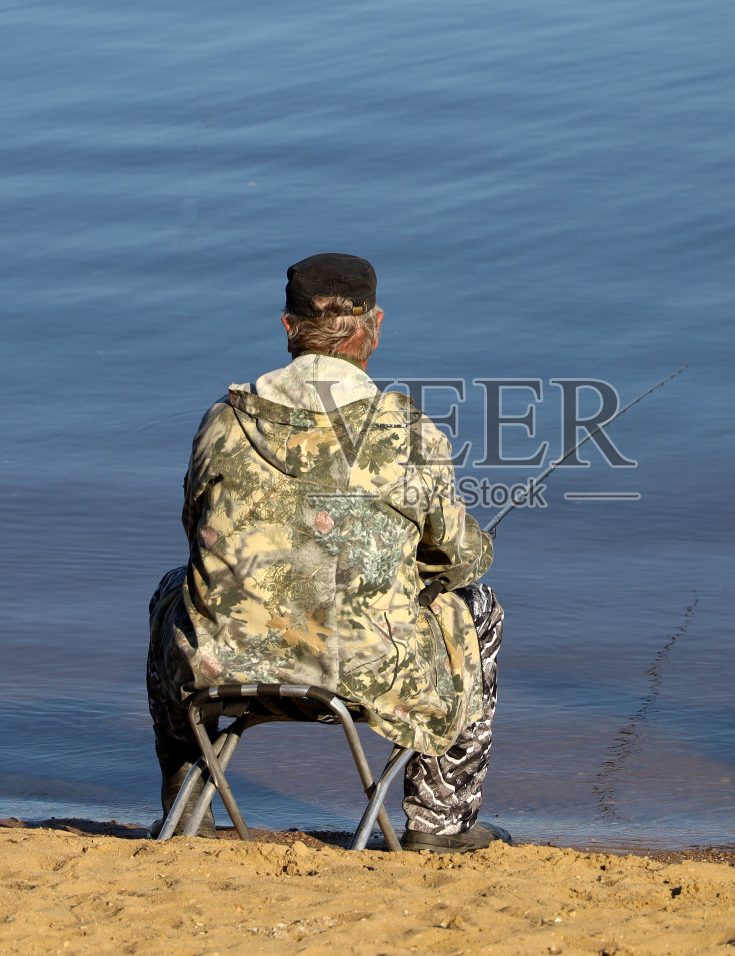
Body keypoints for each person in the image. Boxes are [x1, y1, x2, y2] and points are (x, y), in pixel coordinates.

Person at [145, 253, 509, 852]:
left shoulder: (223, 421)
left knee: (172, 591)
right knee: (477, 606)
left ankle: (187, 803)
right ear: (375, 327)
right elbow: (455, 561)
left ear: (288, 326)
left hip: (226, 665)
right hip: (368, 673)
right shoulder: (408, 432)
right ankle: (439, 823)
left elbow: (196, 532)